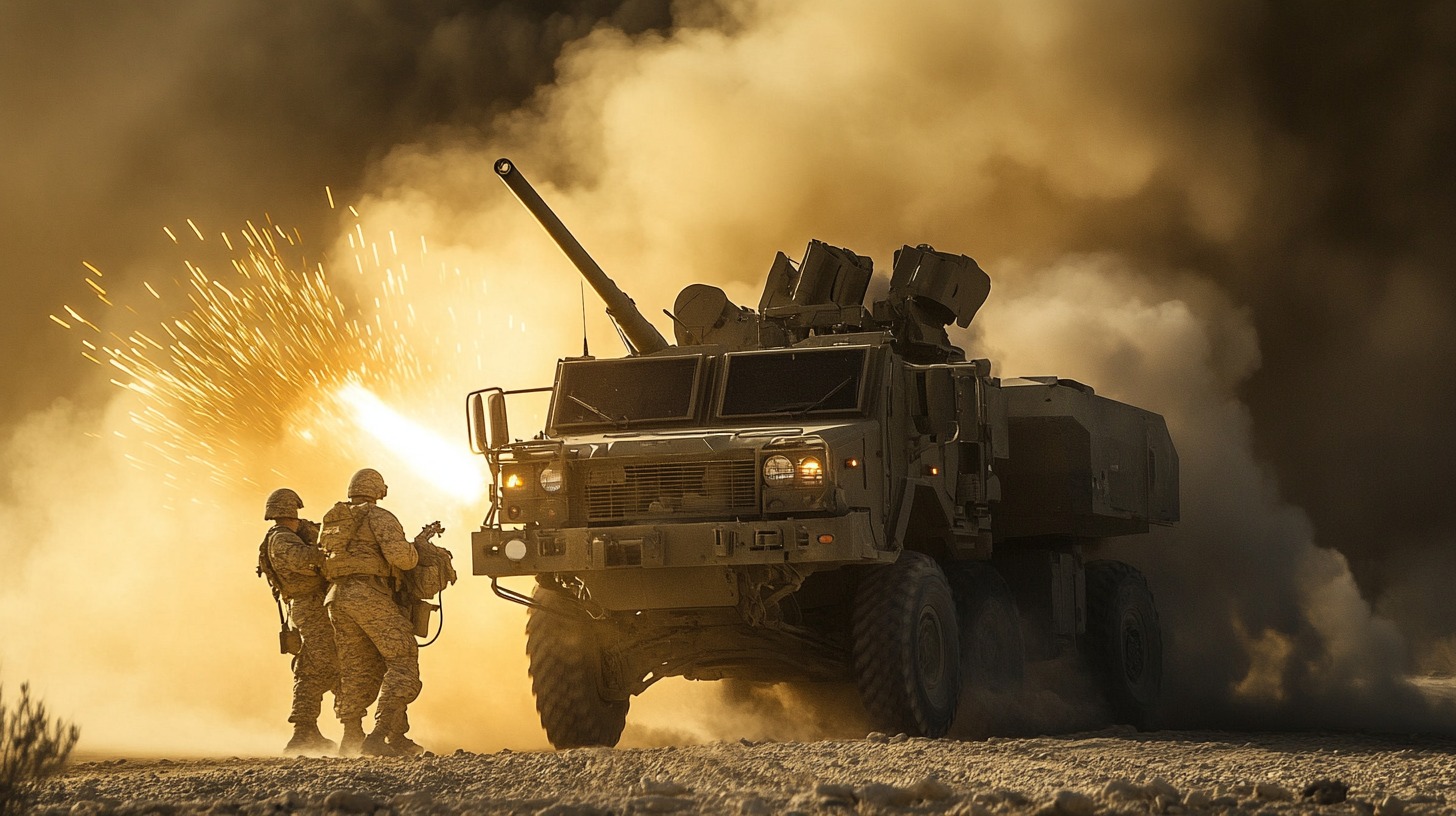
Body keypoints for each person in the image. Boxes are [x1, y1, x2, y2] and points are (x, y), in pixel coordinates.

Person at [322, 467, 423, 757]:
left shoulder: (334, 519)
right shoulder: (380, 517)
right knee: (402, 661)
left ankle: (352, 736)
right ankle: (378, 737)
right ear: (378, 490)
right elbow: (401, 559)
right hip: (368, 595)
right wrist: (417, 550)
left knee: (356, 669)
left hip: (337, 598)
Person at [261, 487, 340, 754]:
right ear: (291, 512)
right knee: (321, 661)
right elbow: (308, 562)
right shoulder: (281, 540)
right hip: (307, 606)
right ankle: (305, 731)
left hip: (308, 605)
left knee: (316, 664)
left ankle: (307, 730)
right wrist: (326, 546)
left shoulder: (284, 536)